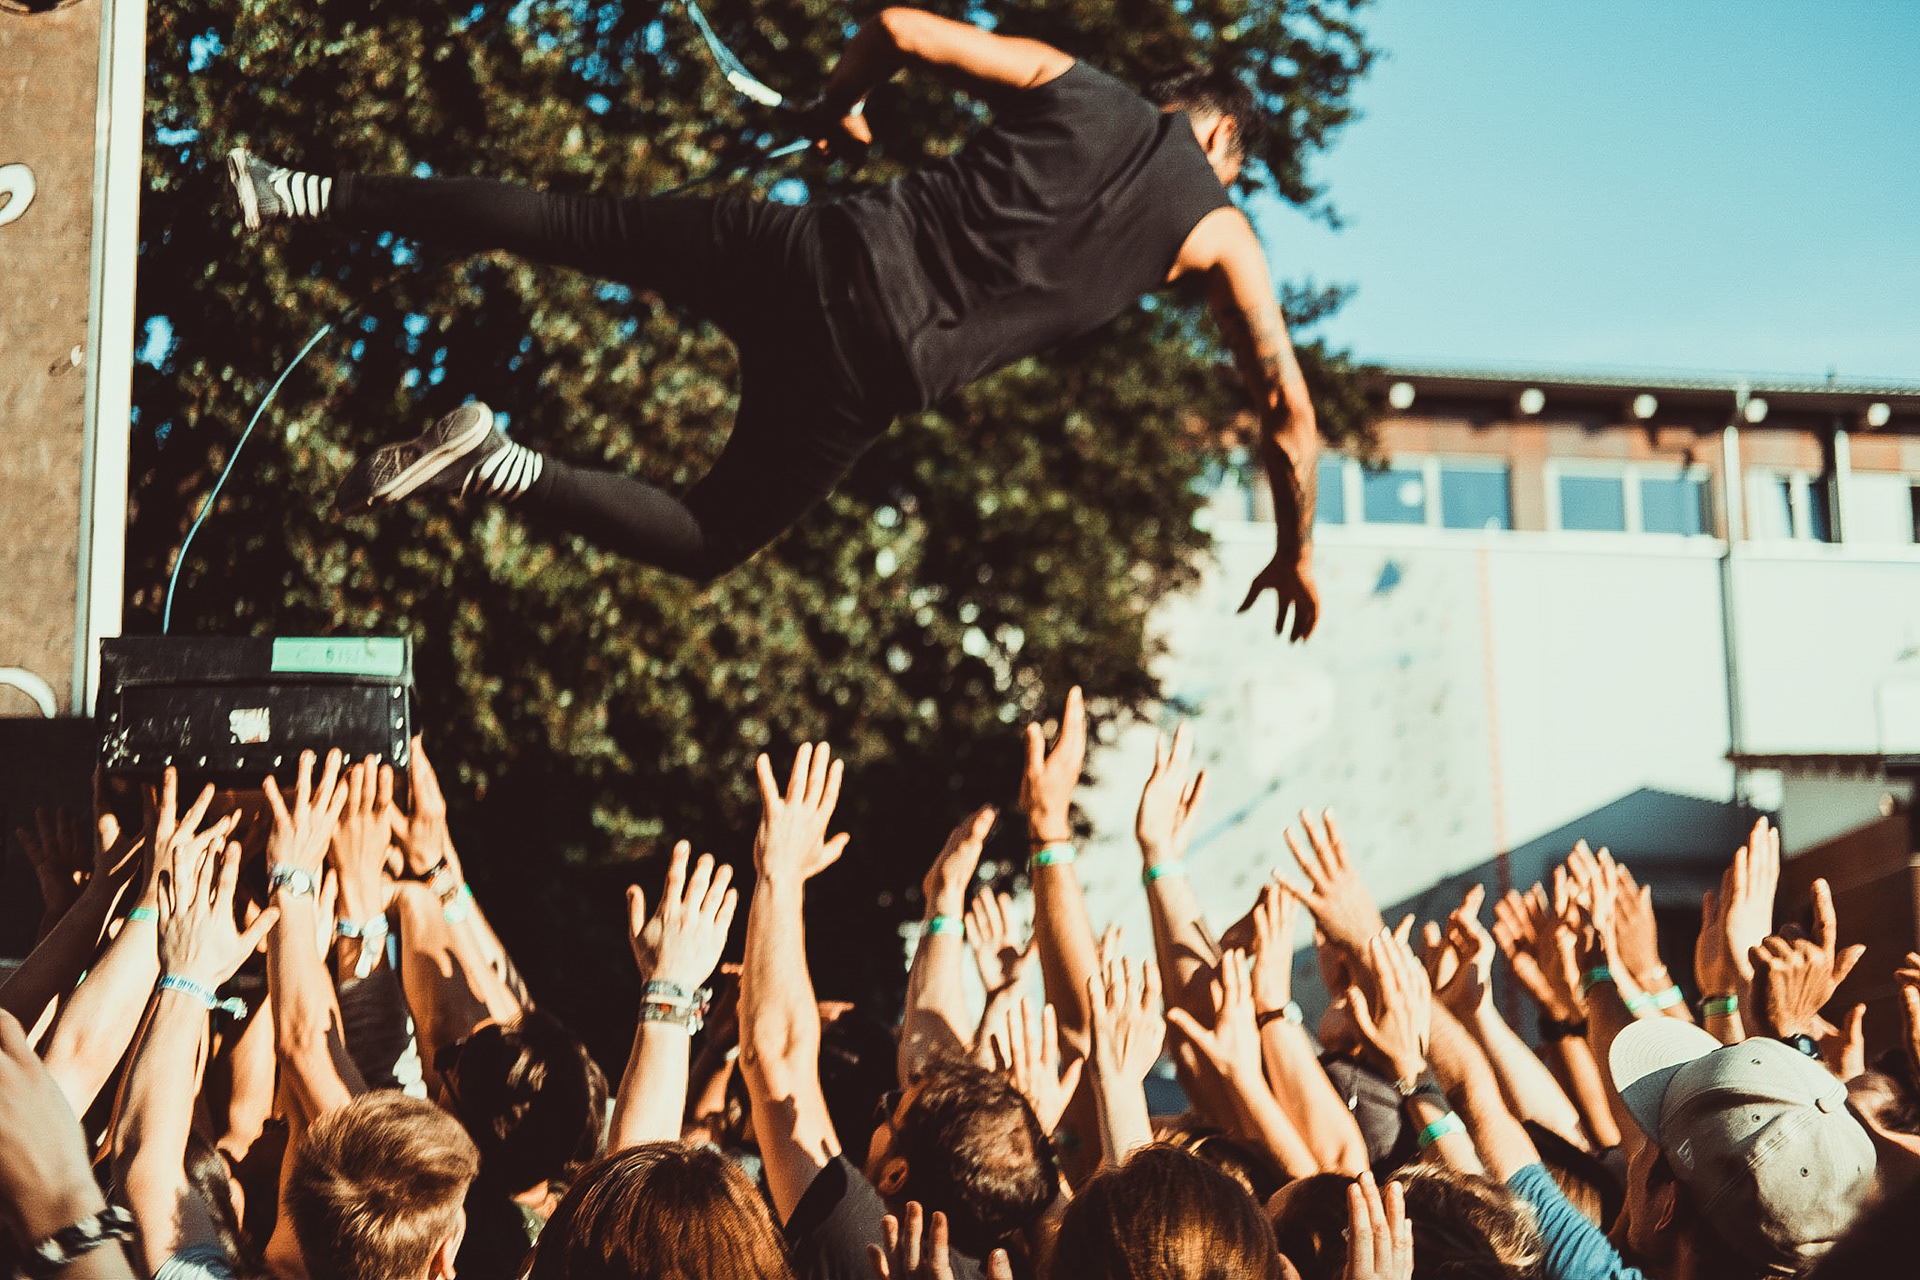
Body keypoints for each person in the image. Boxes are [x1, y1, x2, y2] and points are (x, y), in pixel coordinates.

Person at [223, 7, 1321, 637]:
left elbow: (896, 24)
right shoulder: (1222, 233)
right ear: (1223, 148)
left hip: (817, 254)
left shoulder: (1078, 85)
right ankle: (500, 465)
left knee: (570, 222)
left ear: (1171, 100)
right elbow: (1286, 414)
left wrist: (837, 102)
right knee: (710, 538)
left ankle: (293, 192)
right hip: (869, 374)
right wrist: (1296, 547)